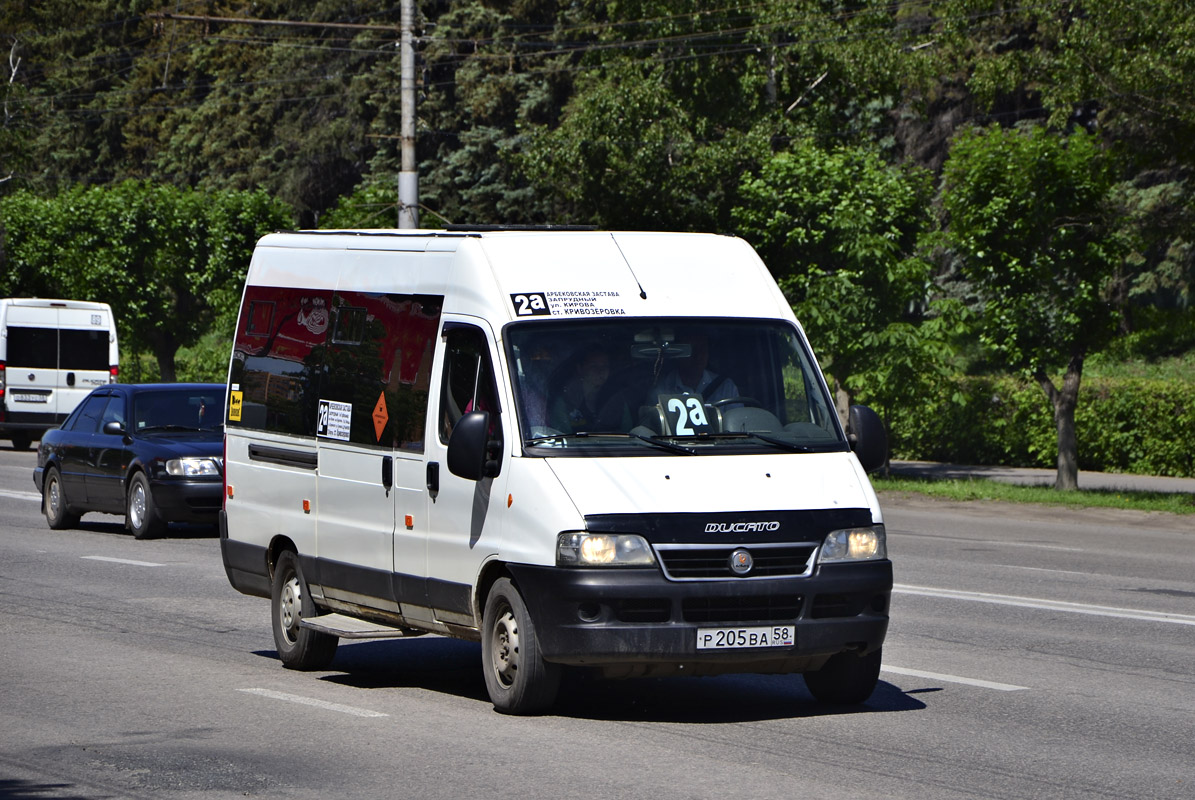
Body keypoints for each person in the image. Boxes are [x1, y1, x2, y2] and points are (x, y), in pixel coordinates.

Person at [549, 345, 632, 433]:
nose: (600, 371)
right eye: (594, 366)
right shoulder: (565, 401)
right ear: (580, 369)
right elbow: (559, 437)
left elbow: (628, 432)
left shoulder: (617, 399)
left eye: (605, 366)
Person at [650, 333, 740, 405]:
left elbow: (738, 424)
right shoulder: (661, 391)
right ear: (678, 354)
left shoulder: (726, 388)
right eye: (692, 350)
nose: (698, 356)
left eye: (703, 349)